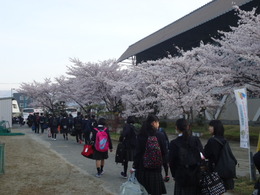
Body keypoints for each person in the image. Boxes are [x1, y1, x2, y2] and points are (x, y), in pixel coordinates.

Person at [131, 114, 167, 195]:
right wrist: (166, 170)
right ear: (153, 123)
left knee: (143, 191)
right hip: (156, 170)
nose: (158, 124)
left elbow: (137, 153)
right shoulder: (160, 135)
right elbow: (164, 153)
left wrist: (134, 167)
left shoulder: (141, 135)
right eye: (158, 122)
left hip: (142, 168)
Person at [169, 118, 203, 195]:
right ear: (188, 127)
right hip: (195, 174)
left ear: (176, 128)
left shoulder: (174, 143)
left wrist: (174, 175)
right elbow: (202, 156)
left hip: (181, 176)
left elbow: (172, 161)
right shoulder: (195, 140)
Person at [204, 120, 237, 192]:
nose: (209, 128)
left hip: (215, 171)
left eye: (210, 126)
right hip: (224, 170)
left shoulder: (212, 141)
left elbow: (205, 155)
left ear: (215, 128)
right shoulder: (224, 140)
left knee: (215, 191)